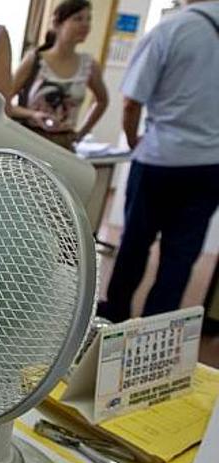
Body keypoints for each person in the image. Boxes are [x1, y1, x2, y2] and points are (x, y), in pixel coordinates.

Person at [98, 1, 219, 323]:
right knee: (181, 256)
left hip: (160, 159)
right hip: (210, 165)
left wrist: (134, 140)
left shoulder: (171, 30)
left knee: (136, 242)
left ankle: (115, 318)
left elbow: (130, 102)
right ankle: (156, 328)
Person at [9, 0, 108, 151]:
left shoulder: (89, 65)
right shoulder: (35, 59)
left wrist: (82, 132)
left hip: (64, 144)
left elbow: (102, 100)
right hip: (30, 140)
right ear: (57, 23)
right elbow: (4, 103)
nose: (85, 25)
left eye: (89, 19)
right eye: (78, 19)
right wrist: (33, 114)